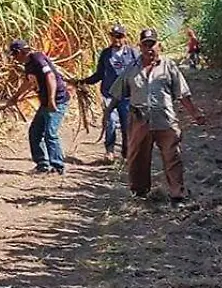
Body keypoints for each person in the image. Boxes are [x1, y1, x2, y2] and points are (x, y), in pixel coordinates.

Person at [105, 28, 206, 205]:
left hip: (165, 120)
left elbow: (182, 93)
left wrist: (195, 113)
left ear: (158, 45)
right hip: (139, 121)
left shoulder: (169, 66)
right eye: (145, 44)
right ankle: (140, 192)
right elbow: (117, 93)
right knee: (137, 158)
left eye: (152, 44)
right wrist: (107, 113)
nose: (149, 48)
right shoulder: (131, 69)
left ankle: (177, 193)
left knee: (172, 156)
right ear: (140, 46)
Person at [76, 24, 140, 161]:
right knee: (110, 122)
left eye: (119, 36)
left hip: (127, 96)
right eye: (113, 36)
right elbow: (99, 74)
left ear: (125, 37)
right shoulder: (105, 54)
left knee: (126, 125)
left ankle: (126, 152)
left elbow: (141, 72)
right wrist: (84, 81)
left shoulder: (133, 53)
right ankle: (109, 151)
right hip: (109, 94)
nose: (116, 39)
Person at [7, 40, 70, 174]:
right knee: (35, 132)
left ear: (19, 52)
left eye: (14, 55)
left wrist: (52, 100)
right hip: (45, 102)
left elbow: (50, 77)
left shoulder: (37, 58)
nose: (14, 58)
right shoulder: (28, 65)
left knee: (50, 133)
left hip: (57, 100)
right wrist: (16, 97)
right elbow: (28, 82)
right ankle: (42, 164)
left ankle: (58, 167)